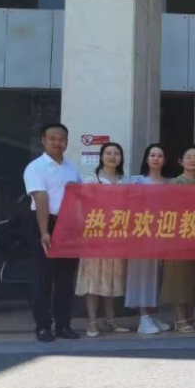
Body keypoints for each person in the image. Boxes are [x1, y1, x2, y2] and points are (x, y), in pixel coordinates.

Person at [23, 123, 82, 342]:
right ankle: (43, 326)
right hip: (44, 222)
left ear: (67, 142)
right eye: (53, 138)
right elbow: (41, 198)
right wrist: (44, 232)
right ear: (43, 140)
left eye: (62, 139)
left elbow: (80, 197)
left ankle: (63, 325)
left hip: (68, 226)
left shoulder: (72, 168)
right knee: (43, 278)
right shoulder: (35, 167)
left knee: (66, 278)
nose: (58, 143)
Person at [75, 143, 131, 338]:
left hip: (117, 235)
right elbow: (82, 207)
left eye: (117, 153)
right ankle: (91, 322)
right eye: (108, 153)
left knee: (111, 278)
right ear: (101, 157)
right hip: (95, 235)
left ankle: (110, 320)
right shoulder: (91, 179)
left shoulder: (125, 182)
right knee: (93, 279)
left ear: (121, 158)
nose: (112, 156)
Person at [127, 143, 172, 334]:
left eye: (159, 156)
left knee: (158, 276)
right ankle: (143, 318)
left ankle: (153, 315)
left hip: (162, 233)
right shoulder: (136, 181)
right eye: (152, 155)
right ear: (146, 159)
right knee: (142, 276)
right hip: (142, 233)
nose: (156, 159)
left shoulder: (170, 183)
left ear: (164, 160)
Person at [160, 147, 195, 333]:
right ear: (181, 161)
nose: (193, 160)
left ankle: (190, 315)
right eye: (188, 157)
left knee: (194, 278)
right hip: (178, 236)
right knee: (177, 278)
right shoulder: (174, 183)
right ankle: (179, 319)